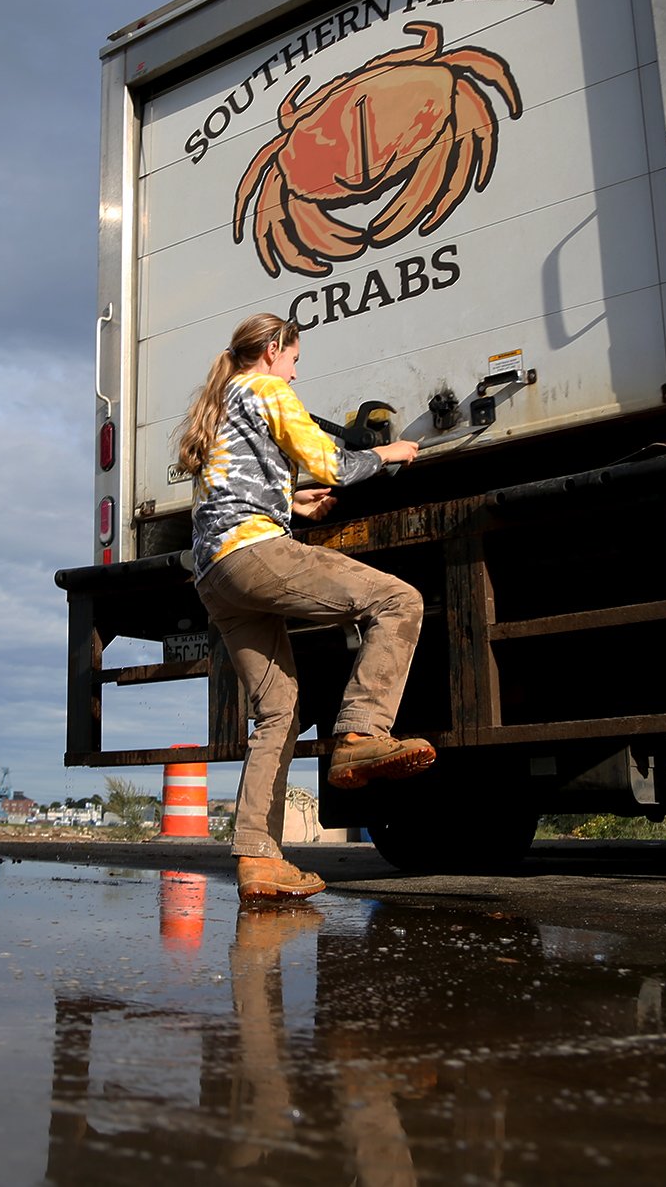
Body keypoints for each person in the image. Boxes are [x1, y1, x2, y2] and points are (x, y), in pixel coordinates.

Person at [178, 313, 431, 900]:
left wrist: (292, 502)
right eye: (294, 359)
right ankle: (361, 735)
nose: (295, 372)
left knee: (279, 713)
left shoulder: (223, 402)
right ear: (272, 350)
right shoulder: (266, 387)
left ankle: (258, 861)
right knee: (398, 599)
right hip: (254, 554)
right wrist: (390, 453)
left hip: (216, 573)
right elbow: (332, 461)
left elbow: (233, 488)